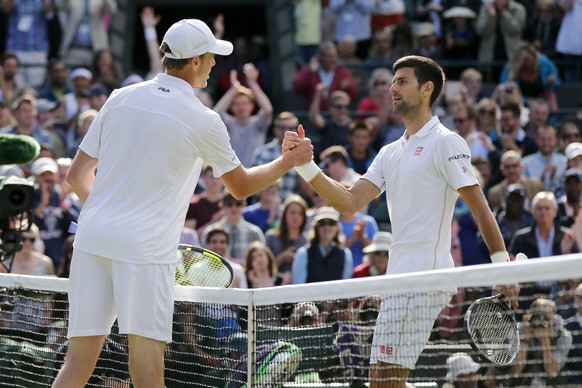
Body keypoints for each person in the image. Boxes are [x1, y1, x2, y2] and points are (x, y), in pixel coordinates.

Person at [51, 18, 312, 388]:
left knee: (76, 365)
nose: (213, 64)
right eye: (210, 57)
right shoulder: (204, 119)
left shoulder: (119, 97)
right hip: (144, 248)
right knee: (148, 372)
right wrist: (288, 161)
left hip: (92, 237)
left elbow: (76, 176)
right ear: (193, 62)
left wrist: (108, 215)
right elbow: (240, 187)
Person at [283, 55, 519, 387]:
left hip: (425, 277)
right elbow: (349, 202)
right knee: (382, 378)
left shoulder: (446, 142)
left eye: (402, 81)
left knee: (387, 377)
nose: (393, 88)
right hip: (399, 278)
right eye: (393, 81)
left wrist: (501, 268)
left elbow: (479, 205)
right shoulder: (389, 152)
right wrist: (305, 166)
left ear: (426, 89)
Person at [511, 298, 572, 386]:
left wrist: (545, 340)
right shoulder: (519, 330)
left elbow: (552, 371)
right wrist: (525, 337)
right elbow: (516, 371)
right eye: (538, 315)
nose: (541, 320)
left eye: (546, 316)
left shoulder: (562, 335)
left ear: (554, 316)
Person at [291, 206, 353, 284]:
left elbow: (345, 287)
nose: (327, 227)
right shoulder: (303, 254)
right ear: (316, 227)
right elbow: (298, 287)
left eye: (331, 223)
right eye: (322, 223)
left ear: (337, 227)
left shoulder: (346, 254)